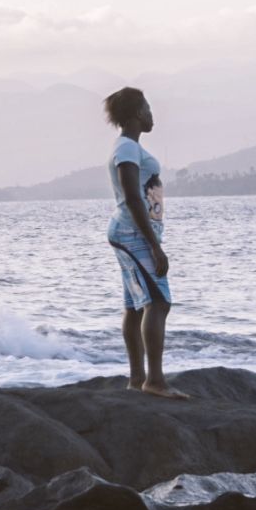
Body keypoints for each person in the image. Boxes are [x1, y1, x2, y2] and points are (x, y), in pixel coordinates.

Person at [104, 87, 189, 399]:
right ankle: (154, 381)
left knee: (135, 306)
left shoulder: (127, 146)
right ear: (137, 113)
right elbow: (131, 197)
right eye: (148, 107)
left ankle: (137, 378)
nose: (152, 113)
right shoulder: (127, 149)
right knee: (158, 302)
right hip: (133, 235)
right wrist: (154, 244)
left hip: (128, 233)